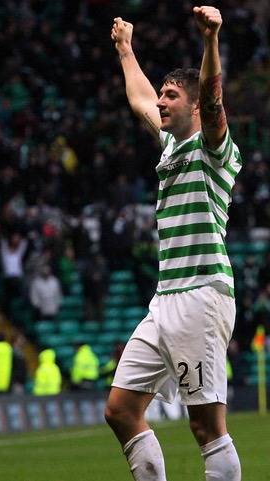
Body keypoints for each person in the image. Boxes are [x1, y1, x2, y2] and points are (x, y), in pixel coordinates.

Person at [106, 7, 242, 481]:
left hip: (202, 295)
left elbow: (213, 96)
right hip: (165, 299)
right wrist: (126, 50)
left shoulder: (214, 147)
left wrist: (210, 41)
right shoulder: (170, 146)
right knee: (120, 410)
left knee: (206, 426)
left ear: (195, 107)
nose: (161, 102)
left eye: (172, 96)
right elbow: (140, 98)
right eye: (163, 94)